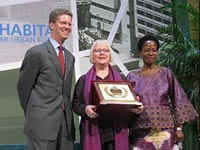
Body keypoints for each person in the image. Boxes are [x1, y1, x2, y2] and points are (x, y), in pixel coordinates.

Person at [127, 34, 198, 150]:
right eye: (147, 50)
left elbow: (178, 100)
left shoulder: (166, 73)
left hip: (166, 129)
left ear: (157, 52)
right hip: (140, 131)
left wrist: (179, 128)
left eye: (154, 50)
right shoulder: (131, 77)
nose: (151, 53)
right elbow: (126, 105)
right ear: (140, 53)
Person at [17, 8, 75, 150]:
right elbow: (23, 88)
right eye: (63, 23)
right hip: (41, 125)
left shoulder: (69, 57)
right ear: (51, 25)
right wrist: (36, 114)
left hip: (65, 126)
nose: (66, 27)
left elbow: (65, 93)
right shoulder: (36, 53)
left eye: (69, 24)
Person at [72, 40, 142, 150]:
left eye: (105, 50)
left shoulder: (122, 79)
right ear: (92, 55)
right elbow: (75, 104)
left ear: (110, 55)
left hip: (116, 132)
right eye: (97, 50)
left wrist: (135, 106)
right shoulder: (83, 80)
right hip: (93, 131)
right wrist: (85, 109)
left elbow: (130, 106)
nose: (102, 53)